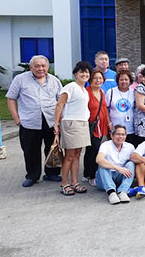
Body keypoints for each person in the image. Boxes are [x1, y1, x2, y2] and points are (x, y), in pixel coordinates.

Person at [6, 55, 63, 187]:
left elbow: (61, 101)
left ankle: (52, 173)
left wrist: (60, 118)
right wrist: (16, 117)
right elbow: (10, 98)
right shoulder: (20, 80)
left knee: (52, 148)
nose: (40, 68)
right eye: (37, 66)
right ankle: (32, 175)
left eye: (43, 66)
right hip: (29, 121)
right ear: (31, 67)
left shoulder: (54, 81)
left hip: (50, 120)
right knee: (30, 150)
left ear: (48, 67)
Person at [53, 61, 92, 196]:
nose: (84, 74)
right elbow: (59, 105)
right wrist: (56, 124)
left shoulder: (84, 90)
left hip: (82, 123)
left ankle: (75, 182)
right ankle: (64, 183)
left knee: (77, 155)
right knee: (69, 156)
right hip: (71, 123)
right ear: (76, 73)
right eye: (81, 71)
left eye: (87, 72)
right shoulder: (71, 87)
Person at [82, 70, 112, 187]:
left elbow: (104, 109)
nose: (98, 80)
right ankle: (91, 175)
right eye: (95, 78)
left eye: (100, 78)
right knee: (93, 149)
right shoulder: (86, 92)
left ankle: (87, 172)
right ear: (90, 80)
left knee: (93, 149)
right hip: (91, 125)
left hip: (102, 125)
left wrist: (109, 123)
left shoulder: (102, 92)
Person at [95, 125, 135, 204]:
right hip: (104, 178)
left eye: (123, 134)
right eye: (118, 134)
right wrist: (119, 168)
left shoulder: (130, 147)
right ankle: (111, 192)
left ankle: (122, 191)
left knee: (131, 164)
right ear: (112, 135)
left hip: (119, 177)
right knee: (103, 165)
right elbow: (99, 159)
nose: (120, 136)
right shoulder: (106, 145)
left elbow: (136, 159)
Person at [106, 70, 136, 147]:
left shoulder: (134, 92)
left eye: (126, 79)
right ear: (117, 81)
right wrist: (109, 123)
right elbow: (105, 108)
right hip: (115, 127)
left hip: (130, 128)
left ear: (130, 81)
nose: (124, 82)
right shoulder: (111, 92)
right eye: (121, 79)